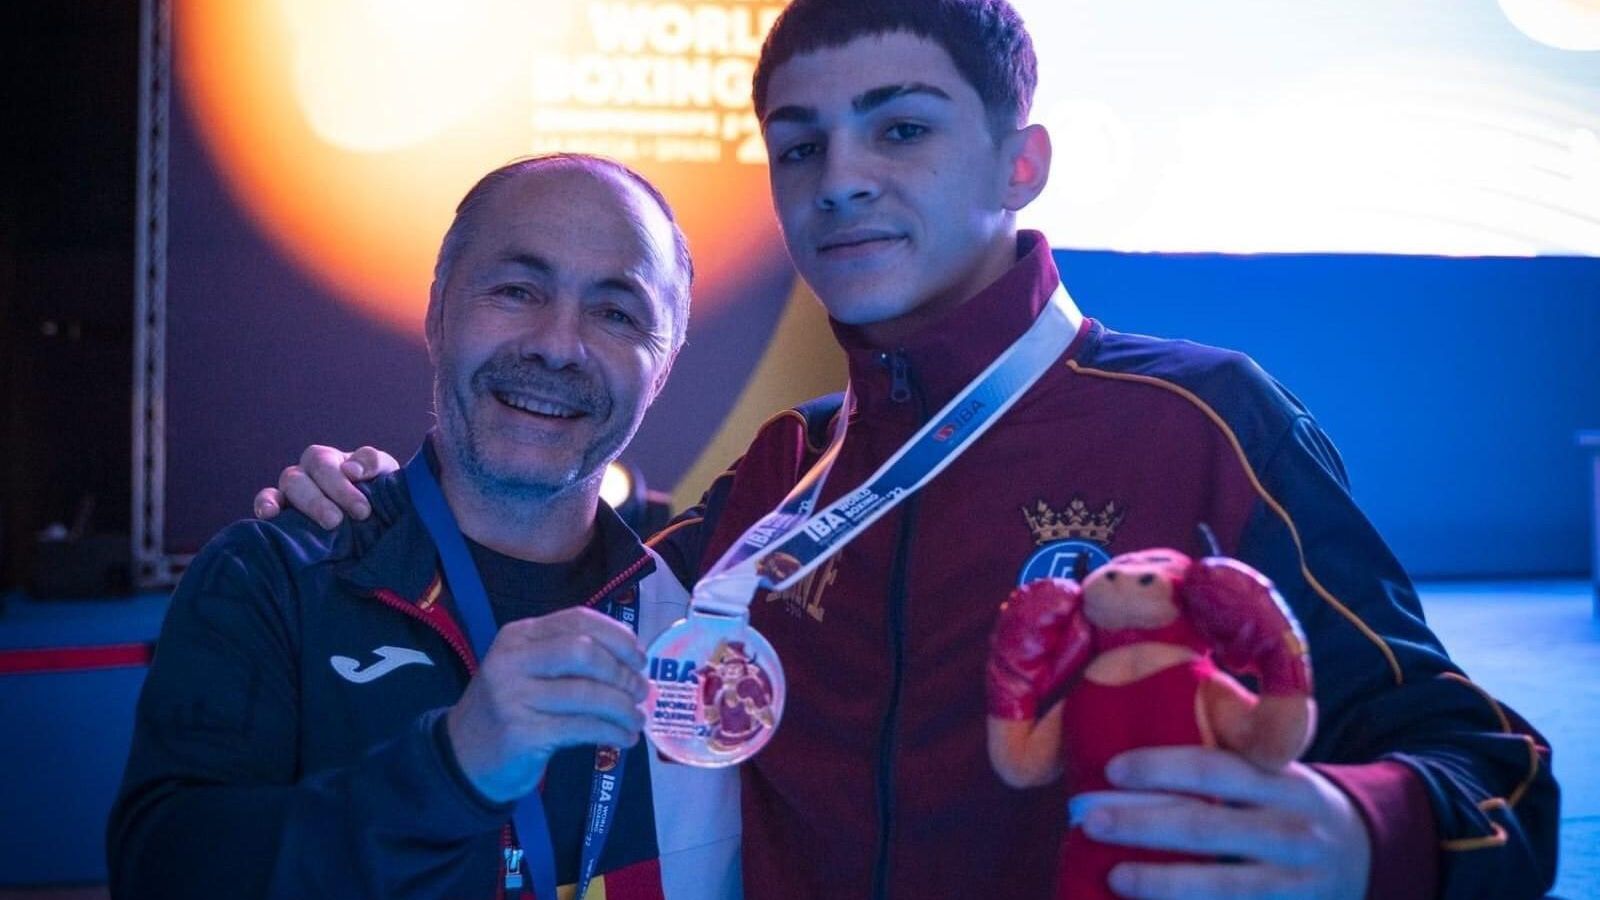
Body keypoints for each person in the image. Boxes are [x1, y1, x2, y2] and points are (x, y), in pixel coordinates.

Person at [259, 1, 1559, 897]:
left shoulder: (1203, 420)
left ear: (1023, 159)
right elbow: (556, 569)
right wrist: (382, 498)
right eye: (800, 144)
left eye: (901, 127)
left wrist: (1362, 835)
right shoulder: (778, 474)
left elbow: (1495, 773)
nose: (841, 179)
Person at [108, 155, 741, 899]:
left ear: (661, 367)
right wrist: (448, 768)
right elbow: (165, 875)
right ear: (438, 311)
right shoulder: (277, 578)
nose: (557, 344)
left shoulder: (698, 606)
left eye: (615, 313)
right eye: (516, 290)